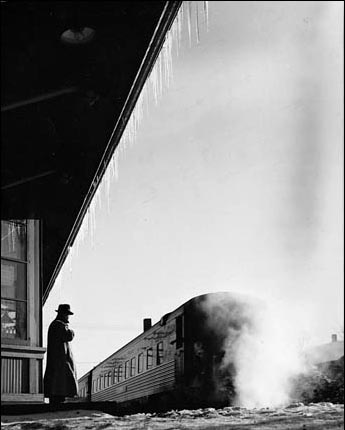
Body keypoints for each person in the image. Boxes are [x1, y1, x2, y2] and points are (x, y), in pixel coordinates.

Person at [44, 304, 78, 405]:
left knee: (57, 389)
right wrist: (71, 331)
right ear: (63, 315)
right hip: (60, 363)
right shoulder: (59, 325)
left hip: (58, 363)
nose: (68, 317)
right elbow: (68, 336)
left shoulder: (55, 325)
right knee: (60, 387)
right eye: (67, 315)